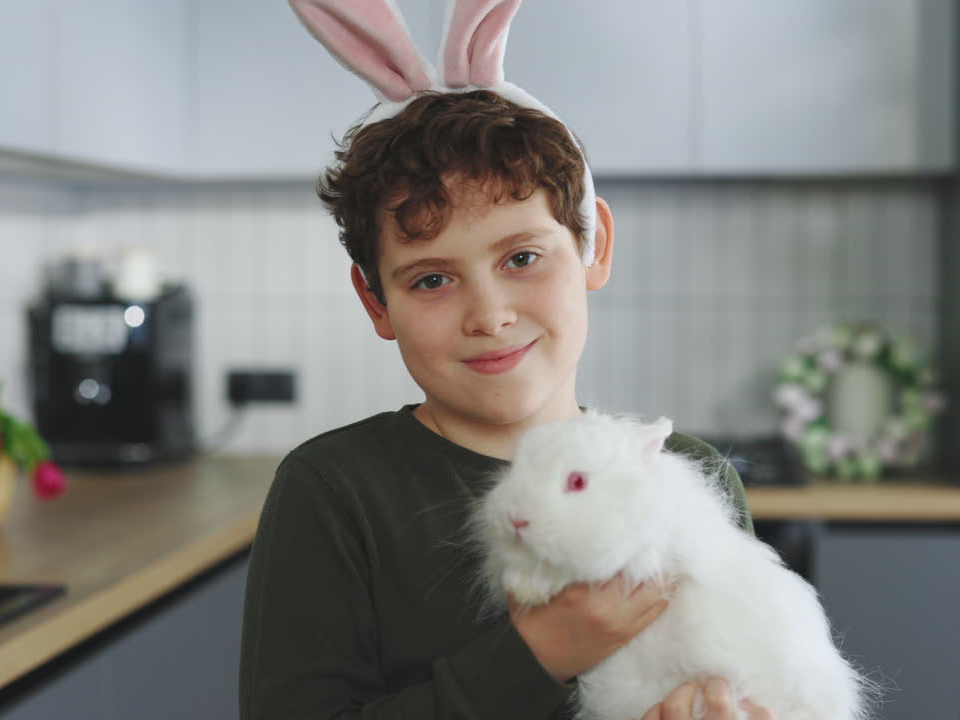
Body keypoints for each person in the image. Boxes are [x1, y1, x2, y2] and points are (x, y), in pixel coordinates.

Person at [240, 3, 774, 719]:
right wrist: (537, 655)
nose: (488, 316)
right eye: (432, 279)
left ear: (592, 244)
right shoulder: (332, 492)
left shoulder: (689, 476)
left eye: (522, 258)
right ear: (376, 302)